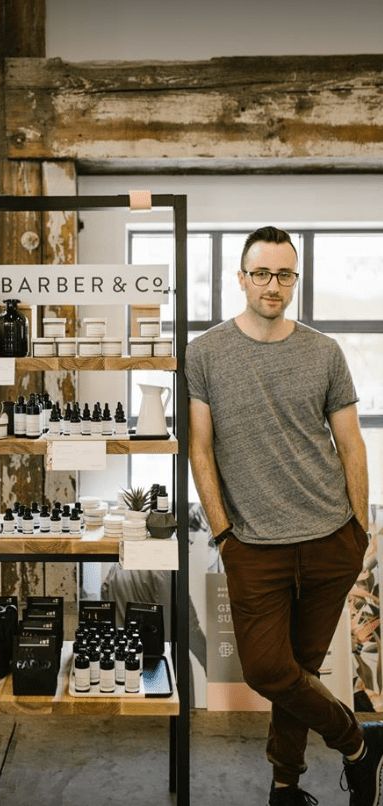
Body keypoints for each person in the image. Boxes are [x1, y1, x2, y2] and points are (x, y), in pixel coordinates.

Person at [186, 225, 381, 806]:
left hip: (329, 541)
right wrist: (223, 533)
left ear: (295, 278)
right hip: (253, 545)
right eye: (262, 273)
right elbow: (200, 448)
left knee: (301, 673)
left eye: (285, 274)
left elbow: (351, 445)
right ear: (241, 277)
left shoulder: (323, 352)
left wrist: (359, 529)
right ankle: (359, 742)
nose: (274, 285)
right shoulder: (206, 353)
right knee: (270, 670)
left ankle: (284, 786)